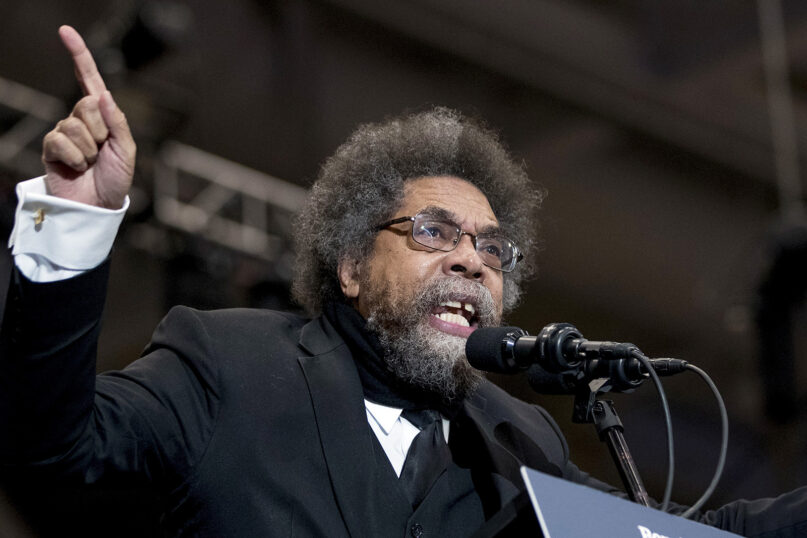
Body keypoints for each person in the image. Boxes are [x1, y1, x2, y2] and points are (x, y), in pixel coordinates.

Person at [1, 25, 805, 538]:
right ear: (350, 265)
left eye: (493, 250)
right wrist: (73, 224)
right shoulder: (228, 362)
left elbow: (680, 535)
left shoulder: (519, 439)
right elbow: (52, 451)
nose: (471, 260)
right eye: (433, 232)